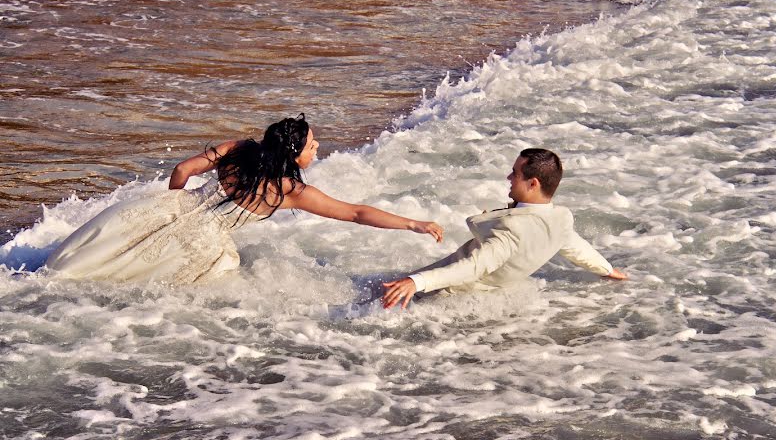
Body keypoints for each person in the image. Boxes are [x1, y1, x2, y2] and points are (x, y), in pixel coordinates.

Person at [46, 115, 443, 284]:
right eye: (311, 144)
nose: (317, 148)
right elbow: (356, 214)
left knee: (91, 258)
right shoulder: (290, 190)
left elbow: (182, 171)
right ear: (293, 154)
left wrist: (172, 209)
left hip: (171, 210)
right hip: (201, 243)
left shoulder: (237, 148)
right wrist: (414, 223)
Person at [382, 148, 626, 309]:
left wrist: (416, 282)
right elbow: (575, 246)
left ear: (533, 183)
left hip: (436, 297)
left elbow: (473, 267)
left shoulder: (512, 230)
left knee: (370, 299)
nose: (509, 178)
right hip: (481, 298)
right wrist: (606, 269)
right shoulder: (561, 218)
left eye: (515, 173)